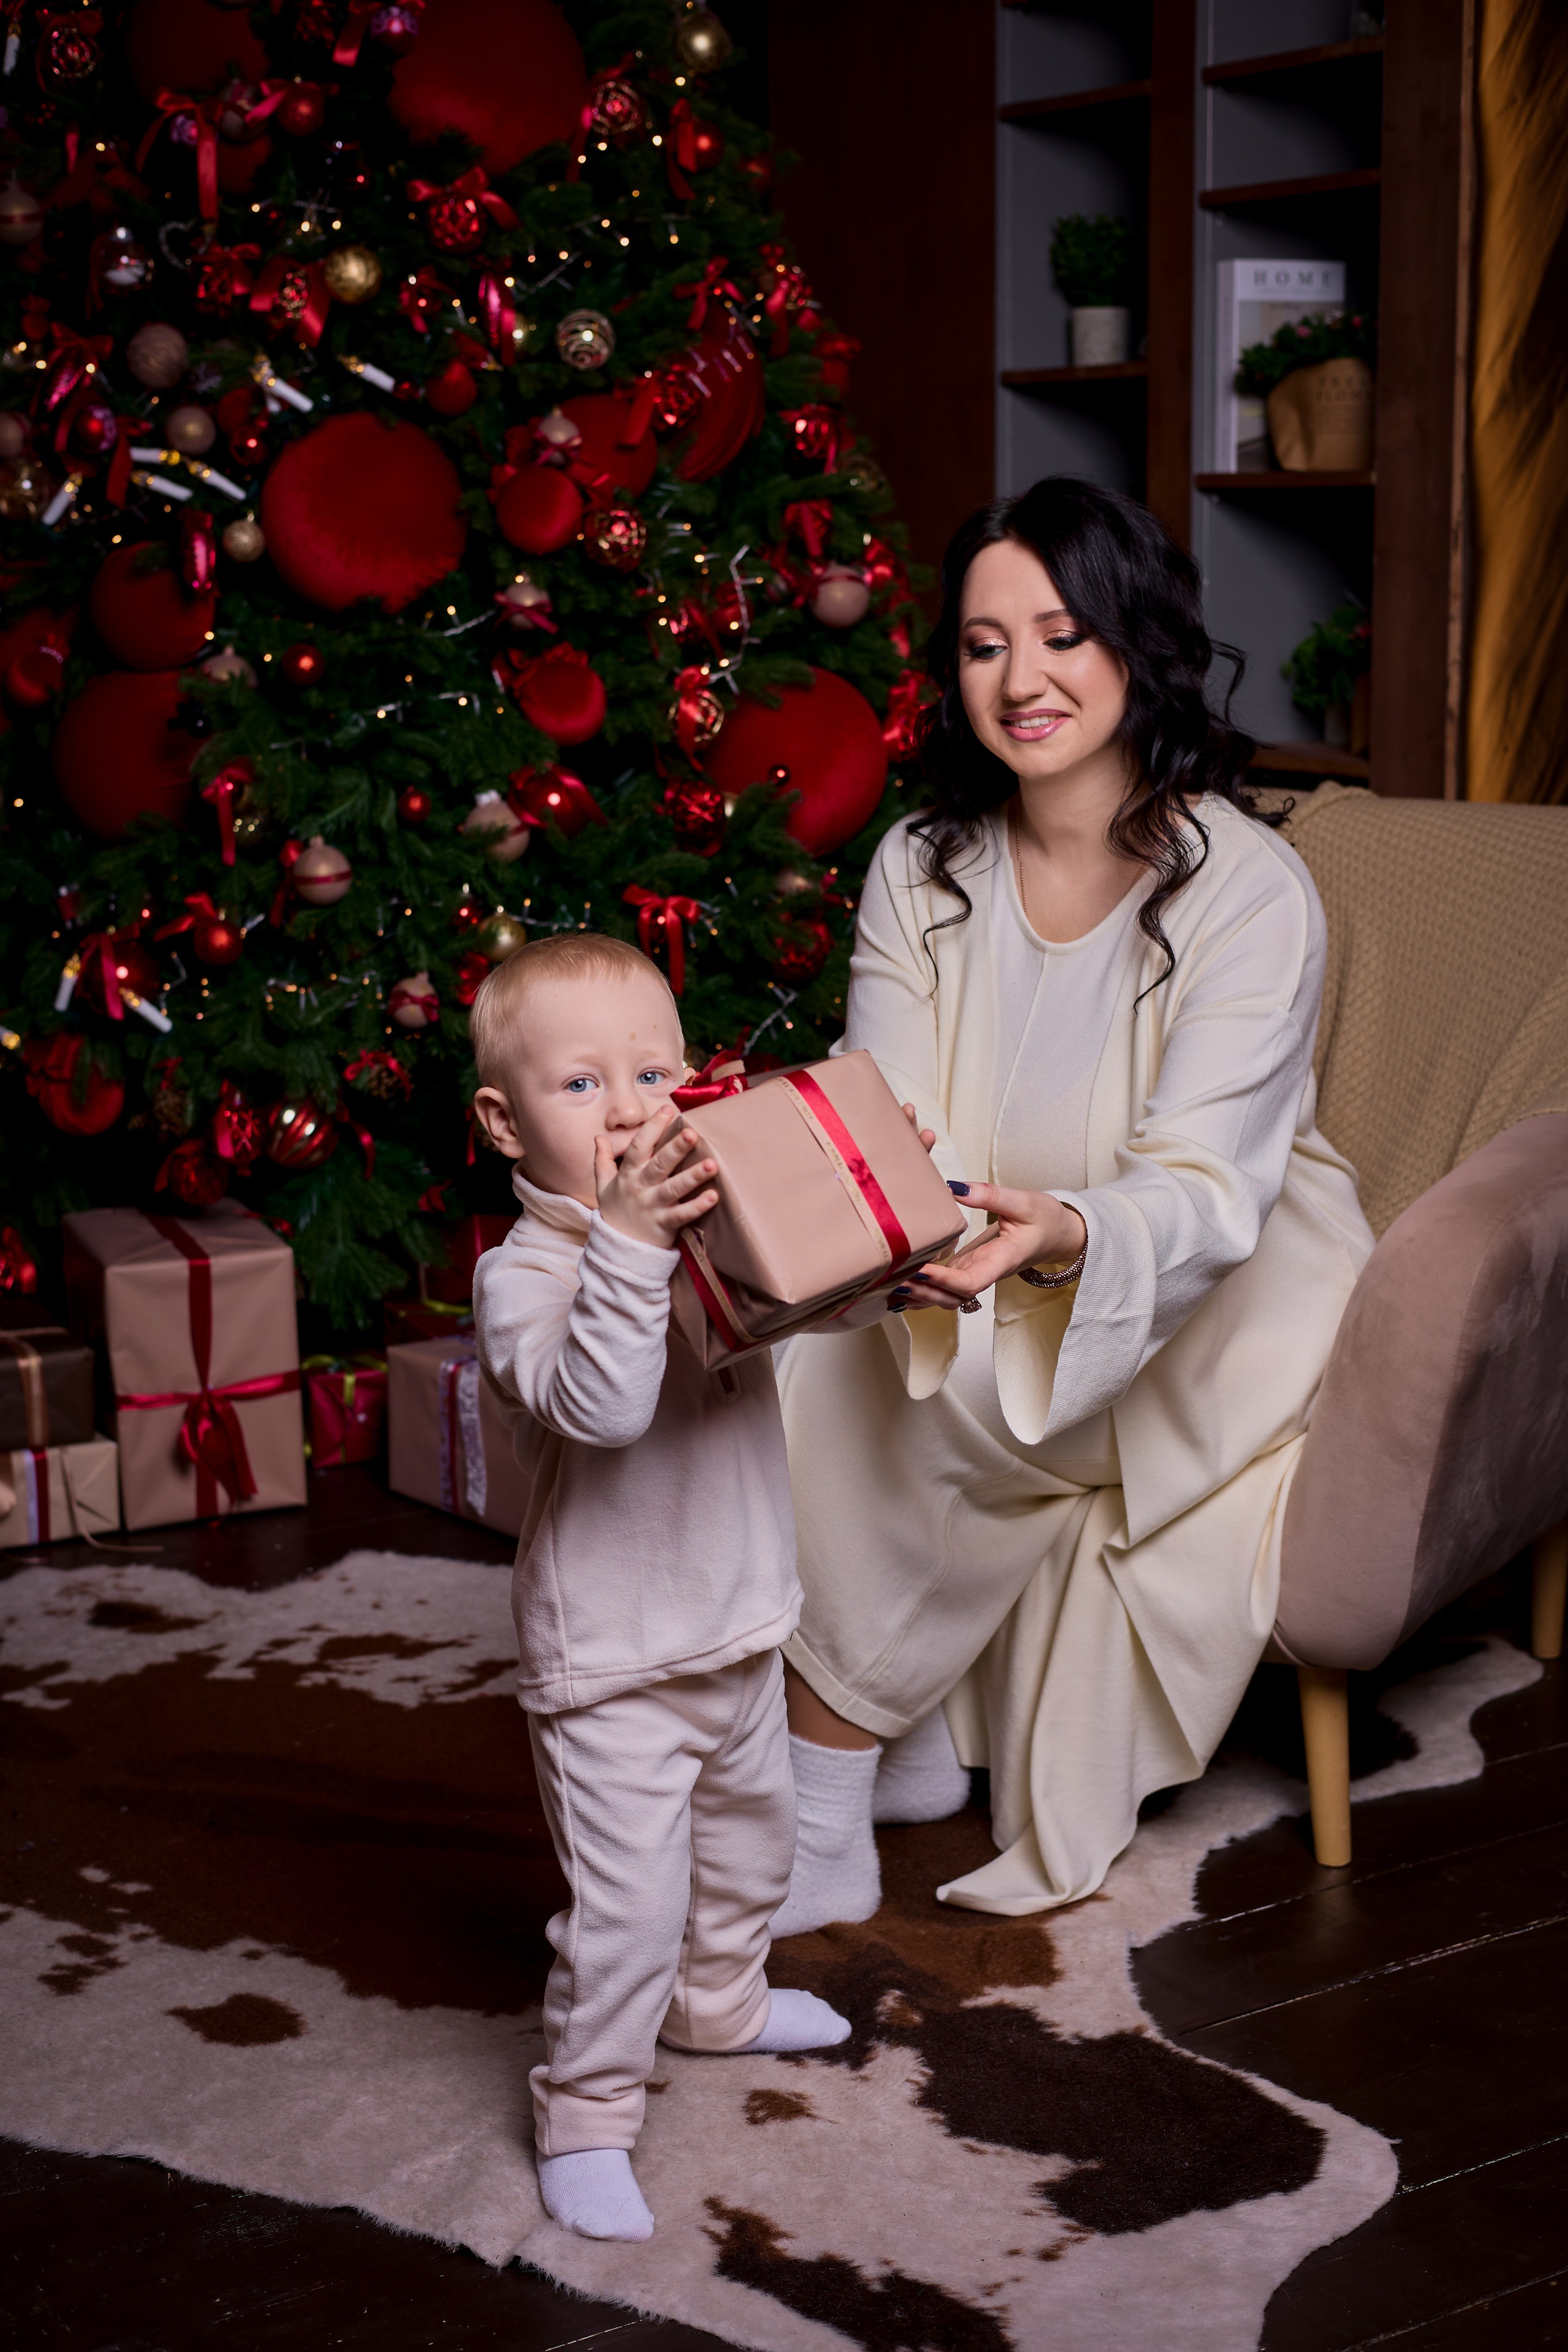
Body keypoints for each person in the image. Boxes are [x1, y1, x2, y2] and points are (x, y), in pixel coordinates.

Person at [771, 477, 1375, 1934]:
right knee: (813, 1350)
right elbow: (889, 1104)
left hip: (1205, 1287)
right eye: (982, 645)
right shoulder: (919, 867)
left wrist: (1067, 1239)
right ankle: (896, 1735)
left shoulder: (1247, 889)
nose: (1020, 679)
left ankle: (816, 1803)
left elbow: (1204, 1185)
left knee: (966, 1376)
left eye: (1058, 634)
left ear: (1133, 641)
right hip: (977, 1244)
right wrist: (896, 1234)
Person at [470, 935, 850, 2246]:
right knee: (625, 1914)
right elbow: (606, 1406)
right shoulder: (525, 1276)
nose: (632, 1109)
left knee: (754, 1852)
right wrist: (629, 1246)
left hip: (736, 1624)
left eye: (653, 1070)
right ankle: (583, 2113)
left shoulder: (701, 1224)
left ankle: (723, 2005)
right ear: (503, 1121)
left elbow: (815, 1306)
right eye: (582, 1087)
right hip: (613, 1665)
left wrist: (871, 1206)